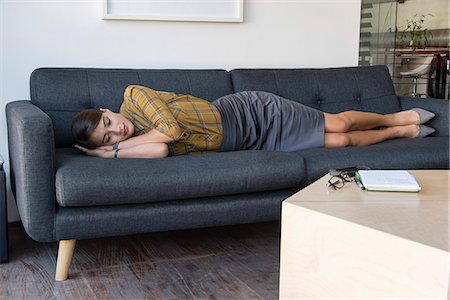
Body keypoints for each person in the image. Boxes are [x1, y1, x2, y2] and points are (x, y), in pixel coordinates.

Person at [71, 85, 436, 159]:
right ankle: (399, 131)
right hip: (250, 142)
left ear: (108, 108)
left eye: (108, 121)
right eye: (107, 138)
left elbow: (169, 132)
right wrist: (112, 155)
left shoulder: (135, 96)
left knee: (339, 126)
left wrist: (117, 146)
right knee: (341, 143)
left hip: (251, 111)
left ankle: (393, 115)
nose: (116, 130)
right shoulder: (129, 143)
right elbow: (160, 150)